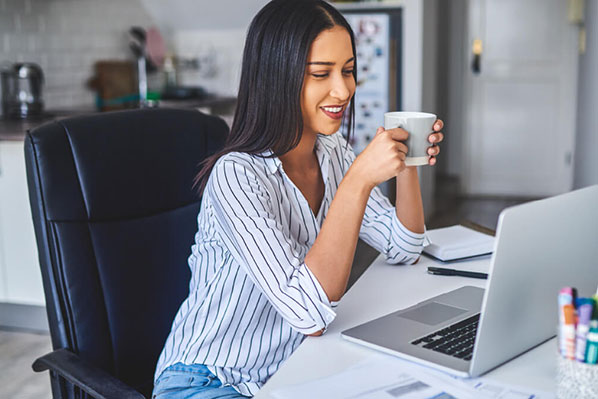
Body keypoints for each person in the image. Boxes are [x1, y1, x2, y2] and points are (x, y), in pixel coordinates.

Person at [152, 0, 444, 397]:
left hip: (290, 373)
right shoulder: (236, 176)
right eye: (321, 74)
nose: (343, 90)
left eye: (349, 70)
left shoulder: (333, 152)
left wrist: (406, 160)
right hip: (207, 379)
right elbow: (309, 313)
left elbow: (405, 246)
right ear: (277, 78)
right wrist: (357, 182)